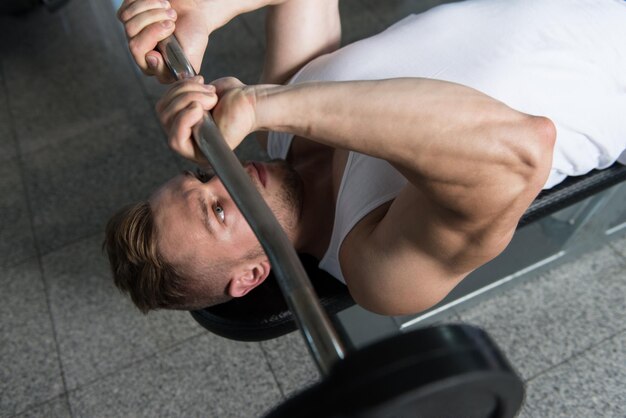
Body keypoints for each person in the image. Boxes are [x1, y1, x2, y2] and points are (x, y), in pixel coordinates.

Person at [106, 0, 626, 316]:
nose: (226, 175)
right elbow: (522, 146)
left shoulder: (284, 135)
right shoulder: (376, 269)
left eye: (202, 178)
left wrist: (210, 11)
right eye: (218, 209)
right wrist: (267, 104)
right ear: (252, 274)